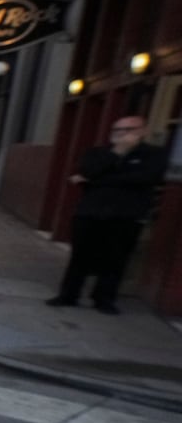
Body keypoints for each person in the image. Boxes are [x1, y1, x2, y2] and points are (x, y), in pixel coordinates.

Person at [46, 115, 167, 315]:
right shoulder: (98, 153)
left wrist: (95, 181)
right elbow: (87, 170)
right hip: (90, 213)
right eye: (117, 130)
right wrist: (118, 153)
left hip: (126, 216)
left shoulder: (153, 155)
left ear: (142, 131)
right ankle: (68, 295)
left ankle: (104, 298)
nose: (122, 134)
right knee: (80, 257)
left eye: (128, 130)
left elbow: (145, 179)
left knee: (116, 259)